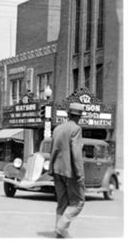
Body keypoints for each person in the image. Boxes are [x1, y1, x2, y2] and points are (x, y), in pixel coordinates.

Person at [48, 102, 85, 238]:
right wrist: (80, 174)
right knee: (78, 202)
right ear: (79, 117)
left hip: (57, 170)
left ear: (68, 114)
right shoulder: (76, 129)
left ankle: (59, 232)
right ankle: (60, 228)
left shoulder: (57, 128)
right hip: (70, 172)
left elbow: (52, 149)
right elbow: (76, 153)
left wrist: (51, 168)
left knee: (62, 202)